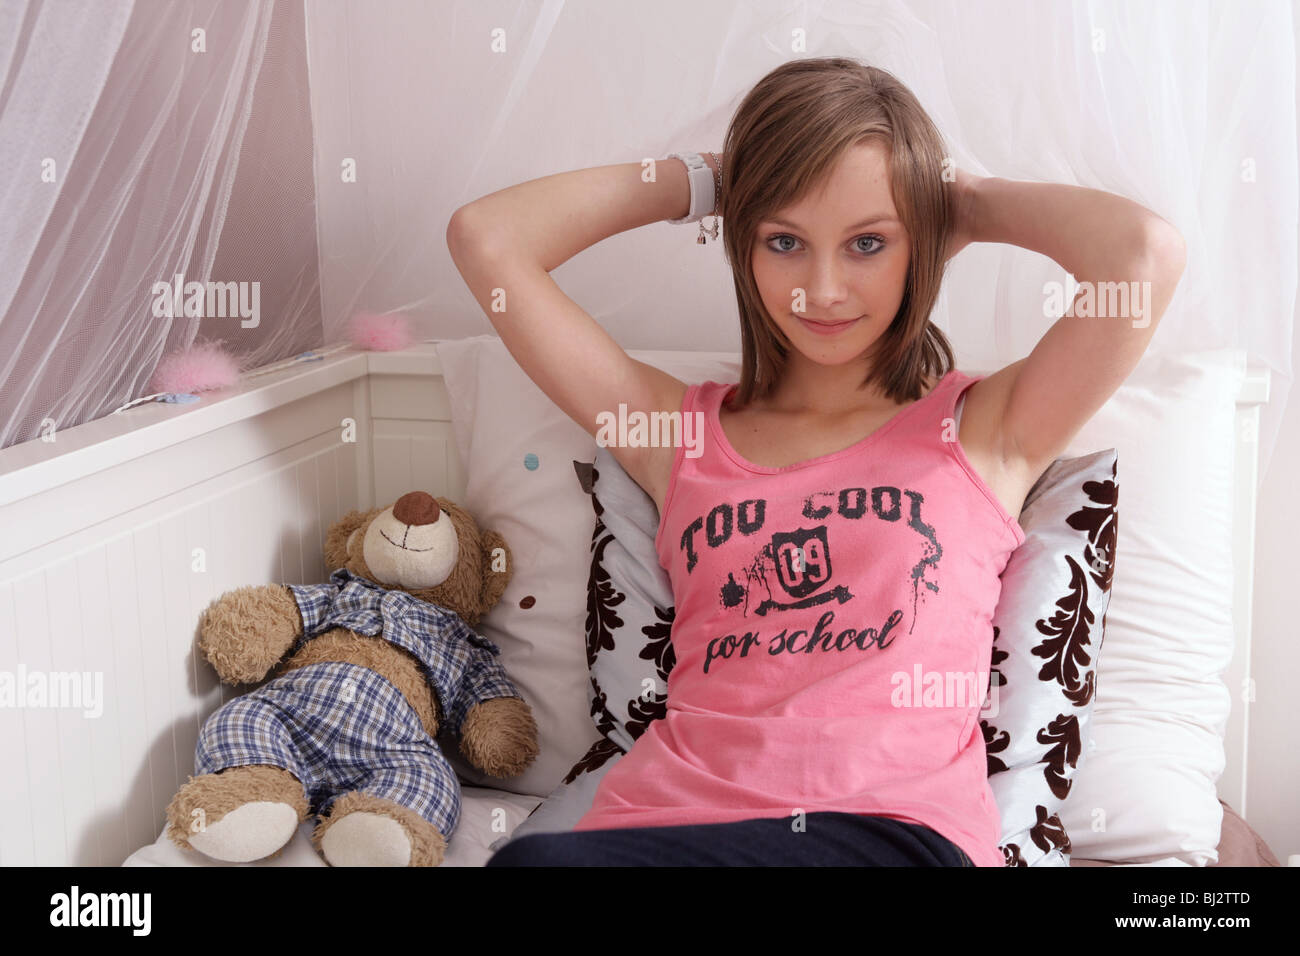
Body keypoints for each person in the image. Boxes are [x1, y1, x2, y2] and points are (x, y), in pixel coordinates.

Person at [446, 57, 1185, 867]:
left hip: (887, 835)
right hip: (661, 829)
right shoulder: (674, 432)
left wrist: (955, 199)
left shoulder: (986, 429)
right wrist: (713, 182)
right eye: (784, 240)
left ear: (920, 245)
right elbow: (489, 239)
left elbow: (1142, 256)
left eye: (868, 241)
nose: (823, 289)